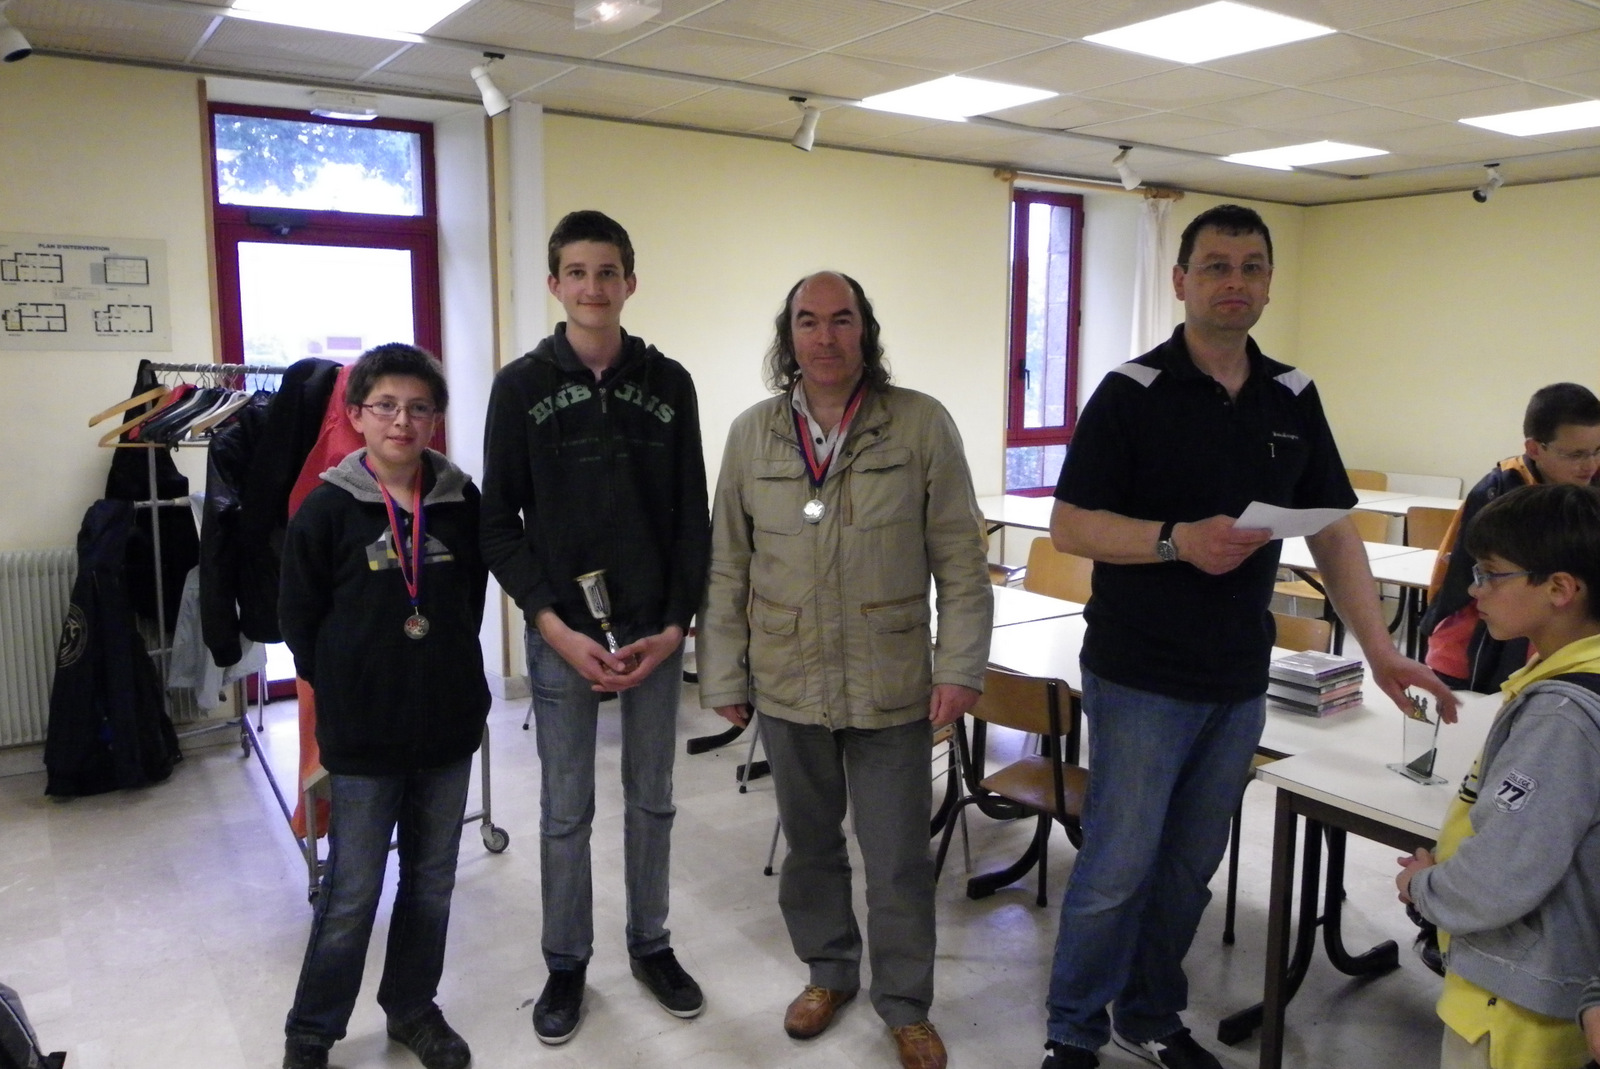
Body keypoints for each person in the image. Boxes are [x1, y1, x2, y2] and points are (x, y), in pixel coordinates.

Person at [1041, 204, 1457, 1069]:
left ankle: (1149, 1014)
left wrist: (1381, 649)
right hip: (1139, 673)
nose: (1235, 282)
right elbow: (1072, 525)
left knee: (1189, 867)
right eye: (1217, 265)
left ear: (1268, 282)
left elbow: (1332, 528)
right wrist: (1175, 540)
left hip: (1237, 680)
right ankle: (1073, 1029)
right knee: (1117, 866)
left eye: (1252, 267)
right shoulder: (1130, 391)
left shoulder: (1292, 395)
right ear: (1180, 280)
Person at [698, 271, 993, 1069]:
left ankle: (906, 1004)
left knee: (897, 857)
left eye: (840, 319)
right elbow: (727, 564)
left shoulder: (920, 424)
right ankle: (829, 971)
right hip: (787, 680)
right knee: (810, 847)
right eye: (808, 321)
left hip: (891, 683)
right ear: (788, 335)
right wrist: (723, 672)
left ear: (865, 331)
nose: (824, 337)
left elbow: (962, 563)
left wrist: (961, 665)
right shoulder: (752, 434)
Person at [480, 210, 710, 1045]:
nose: (592, 287)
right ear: (555, 284)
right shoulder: (519, 387)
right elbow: (497, 524)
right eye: (576, 272)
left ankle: (650, 943)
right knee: (565, 807)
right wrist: (550, 623)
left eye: (607, 271)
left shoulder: (670, 382)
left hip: (654, 632)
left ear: (630, 282)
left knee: (653, 798)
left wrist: (677, 625)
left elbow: (692, 517)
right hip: (562, 636)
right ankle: (566, 961)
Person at [279, 343, 489, 1069]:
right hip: (364, 735)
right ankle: (312, 1031)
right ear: (358, 414)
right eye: (387, 406)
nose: (403, 420)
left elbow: (468, 604)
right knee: (352, 889)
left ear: (436, 418)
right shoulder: (326, 509)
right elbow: (299, 622)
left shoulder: (461, 503)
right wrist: (351, 685)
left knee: (431, 881)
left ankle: (412, 1008)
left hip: (447, 727)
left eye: (419, 407)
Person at [1397, 482, 1600, 1069]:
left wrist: (1424, 889)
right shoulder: (1564, 679)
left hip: (1516, 999)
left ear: (1559, 589)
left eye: (1491, 575)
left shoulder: (1562, 718)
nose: (1473, 589)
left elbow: (1505, 873)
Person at [1422, 382, 1600, 692]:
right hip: (1480, 639)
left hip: (1567, 646)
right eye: (1575, 454)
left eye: (1597, 451)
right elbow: (1466, 581)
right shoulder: (1497, 494)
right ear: (1534, 449)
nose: (1590, 465)